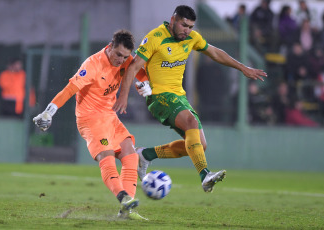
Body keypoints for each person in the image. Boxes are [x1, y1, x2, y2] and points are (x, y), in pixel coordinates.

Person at [113, 5, 267, 193]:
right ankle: (205, 175)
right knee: (191, 122)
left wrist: (243, 67)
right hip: (159, 96)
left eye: (190, 27)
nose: (187, 30)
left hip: (179, 97)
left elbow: (216, 52)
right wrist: (123, 96)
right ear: (173, 20)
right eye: (184, 25)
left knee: (199, 146)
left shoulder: (192, 38)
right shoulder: (155, 37)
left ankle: (145, 154)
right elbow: (134, 67)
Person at [33, 30, 148, 220]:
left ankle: (127, 211)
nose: (121, 60)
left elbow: (141, 73)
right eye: (118, 54)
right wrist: (49, 111)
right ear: (110, 46)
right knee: (107, 155)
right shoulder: (92, 64)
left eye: (125, 56)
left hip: (109, 116)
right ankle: (123, 197)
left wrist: (146, 86)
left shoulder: (126, 60)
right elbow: (70, 89)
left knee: (130, 154)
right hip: (90, 119)